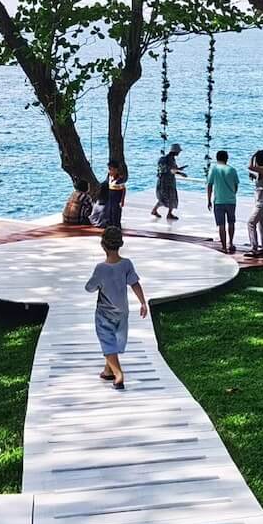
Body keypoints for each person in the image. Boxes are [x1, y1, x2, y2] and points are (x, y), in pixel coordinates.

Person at [84, 225, 148, 389]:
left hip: (104, 313)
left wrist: (96, 284)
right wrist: (142, 302)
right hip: (122, 312)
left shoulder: (101, 268)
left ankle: (118, 375)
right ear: (120, 244)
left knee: (107, 339)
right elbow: (135, 283)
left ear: (102, 245)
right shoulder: (126, 264)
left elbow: (89, 288)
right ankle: (108, 371)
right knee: (116, 340)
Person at [205, 149, 241, 254]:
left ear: (217, 158)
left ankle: (224, 246)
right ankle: (231, 243)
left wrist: (208, 200)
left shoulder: (214, 169)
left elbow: (209, 185)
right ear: (227, 158)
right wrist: (232, 194)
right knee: (231, 222)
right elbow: (236, 186)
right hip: (231, 201)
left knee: (221, 225)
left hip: (218, 201)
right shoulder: (232, 170)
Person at [151, 143, 184, 220]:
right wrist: (180, 172)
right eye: (178, 151)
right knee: (167, 197)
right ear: (175, 151)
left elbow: (171, 169)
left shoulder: (169, 158)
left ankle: (166, 212)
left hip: (166, 181)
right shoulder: (169, 159)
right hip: (166, 182)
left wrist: (179, 170)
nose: (179, 153)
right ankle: (157, 211)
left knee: (168, 197)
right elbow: (171, 170)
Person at [94, 159, 127, 229]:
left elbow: (123, 190)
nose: (110, 171)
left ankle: (117, 227)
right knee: (109, 213)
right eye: (109, 169)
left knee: (116, 214)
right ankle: (110, 227)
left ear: (116, 170)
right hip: (110, 199)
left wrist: (122, 201)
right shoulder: (109, 177)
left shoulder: (119, 180)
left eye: (111, 170)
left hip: (116, 199)